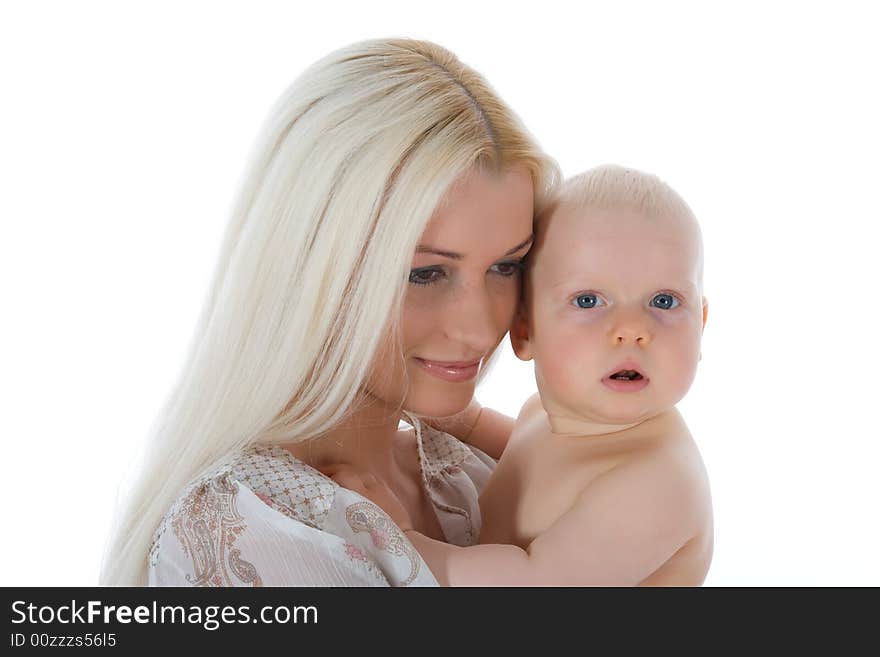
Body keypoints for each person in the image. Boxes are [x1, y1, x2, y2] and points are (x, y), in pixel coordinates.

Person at [98, 38, 559, 586]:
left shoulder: (475, 470)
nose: (482, 328)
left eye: (507, 267)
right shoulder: (248, 532)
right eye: (424, 273)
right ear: (311, 263)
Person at [332, 165, 713, 585]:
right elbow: (510, 446)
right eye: (588, 300)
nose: (633, 329)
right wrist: (458, 418)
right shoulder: (548, 417)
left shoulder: (657, 484)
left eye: (664, 300)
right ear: (526, 329)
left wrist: (400, 537)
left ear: (702, 322)